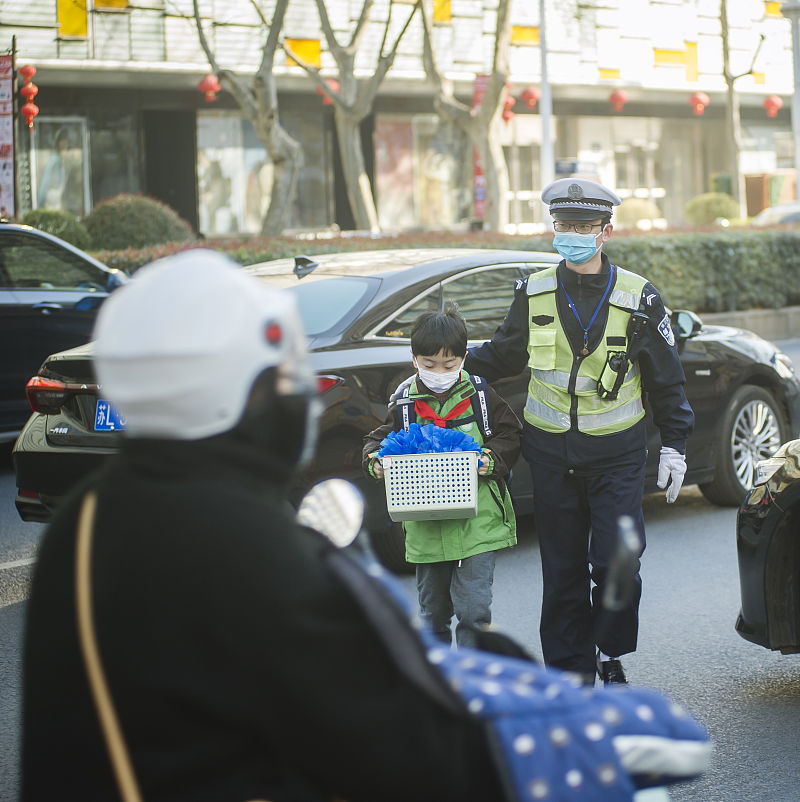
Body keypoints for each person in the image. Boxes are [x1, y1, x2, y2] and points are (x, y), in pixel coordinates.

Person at [20, 250, 507, 801]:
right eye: (287, 378)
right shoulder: (254, 543)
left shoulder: (86, 518)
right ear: (248, 397)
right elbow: (392, 746)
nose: (300, 396)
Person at [465, 178, 694, 686]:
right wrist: (446, 363)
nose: (571, 234)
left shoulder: (640, 297)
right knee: (562, 572)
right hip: (550, 454)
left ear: (606, 231)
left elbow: (667, 381)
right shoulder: (535, 290)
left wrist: (675, 446)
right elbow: (502, 355)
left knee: (619, 561)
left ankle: (610, 650)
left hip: (617, 455)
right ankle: (570, 676)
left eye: (583, 227)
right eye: (564, 226)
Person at [361, 309, 522, 649]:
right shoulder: (404, 404)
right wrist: (375, 462)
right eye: (429, 364)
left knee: (474, 614)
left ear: (463, 358)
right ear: (414, 358)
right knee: (431, 615)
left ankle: (471, 686)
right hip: (426, 526)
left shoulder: (480, 395)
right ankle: (440, 684)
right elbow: (376, 441)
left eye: (449, 365)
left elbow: (510, 435)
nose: (439, 373)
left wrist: (489, 460)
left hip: (478, 524)